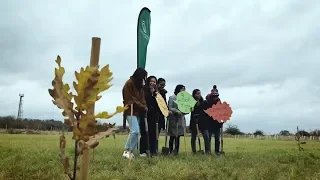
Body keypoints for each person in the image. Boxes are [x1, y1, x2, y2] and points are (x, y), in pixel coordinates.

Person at [122, 68, 148, 159]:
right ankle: (127, 150)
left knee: (136, 132)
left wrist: (144, 105)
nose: (144, 79)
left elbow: (142, 98)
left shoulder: (139, 85)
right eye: (143, 77)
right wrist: (142, 106)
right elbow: (131, 99)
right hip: (130, 110)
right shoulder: (129, 84)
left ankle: (130, 152)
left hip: (138, 111)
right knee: (135, 131)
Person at [139, 76, 161, 157]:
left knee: (153, 134)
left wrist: (154, 94)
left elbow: (159, 105)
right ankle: (143, 151)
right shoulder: (144, 91)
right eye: (151, 81)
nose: (153, 83)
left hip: (153, 116)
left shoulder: (157, 94)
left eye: (154, 82)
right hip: (144, 115)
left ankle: (153, 151)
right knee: (144, 133)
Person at [202, 85, 222, 155]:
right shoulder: (206, 102)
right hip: (209, 123)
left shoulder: (219, 102)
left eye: (216, 96)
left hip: (217, 123)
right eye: (214, 96)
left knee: (217, 138)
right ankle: (208, 151)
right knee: (208, 138)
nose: (215, 98)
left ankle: (217, 151)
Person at [189, 89, 211, 154]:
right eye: (197, 94)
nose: (199, 95)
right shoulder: (191, 103)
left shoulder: (204, 102)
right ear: (194, 94)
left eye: (200, 93)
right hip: (194, 122)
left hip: (203, 122)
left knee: (206, 136)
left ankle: (207, 151)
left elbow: (207, 111)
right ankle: (194, 151)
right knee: (193, 138)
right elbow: (190, 111)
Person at [167, 84, 185, 155]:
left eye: (184, 89)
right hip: (173, 119)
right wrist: (176, 111)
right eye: (182, 89)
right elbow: (170, 107)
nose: (183, 90)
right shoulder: (172, 97)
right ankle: (170, 150)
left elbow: (185, 108)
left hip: (180, 119)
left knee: (178, 136)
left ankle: (176, 151)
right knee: (172, 136)